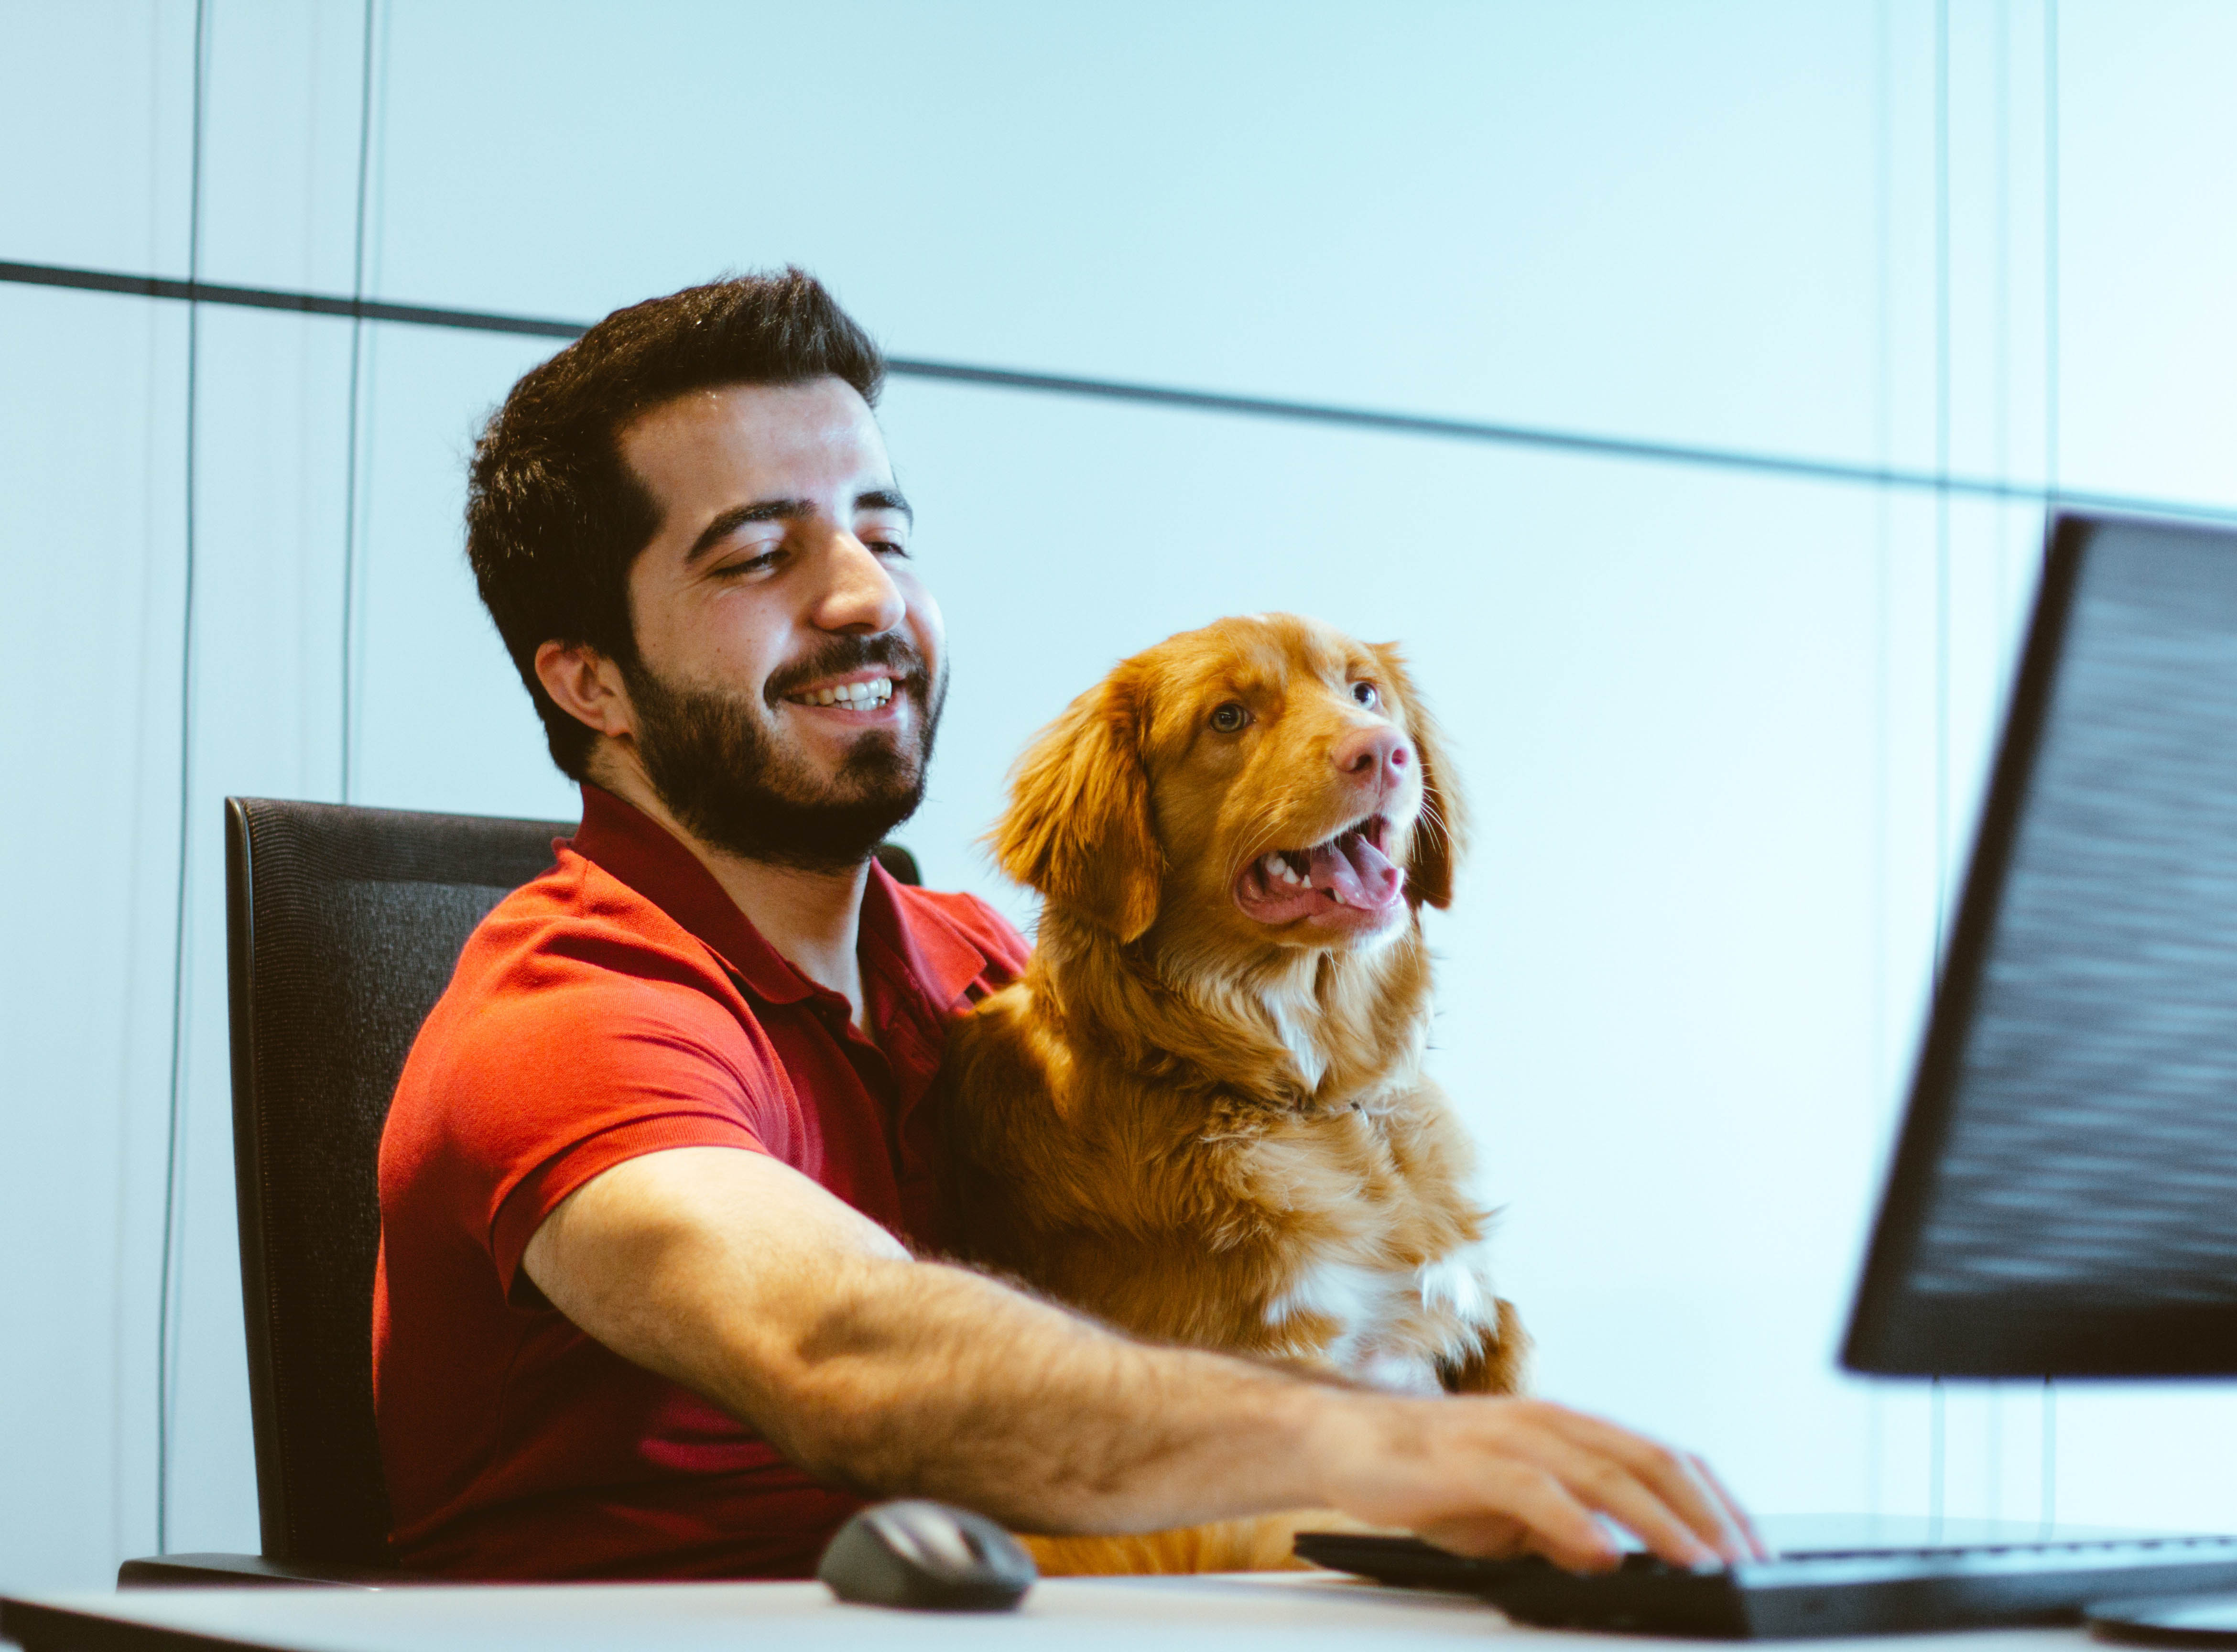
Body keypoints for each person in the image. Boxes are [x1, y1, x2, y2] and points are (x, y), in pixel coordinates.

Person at [373, 269, 1763, 1581]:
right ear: (592, 683)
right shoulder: (571, 1017)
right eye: (758, 556)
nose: (864, 594)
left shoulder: (986, 973)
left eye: (884, 532)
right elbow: (845, 1346)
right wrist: (1374, 1442)